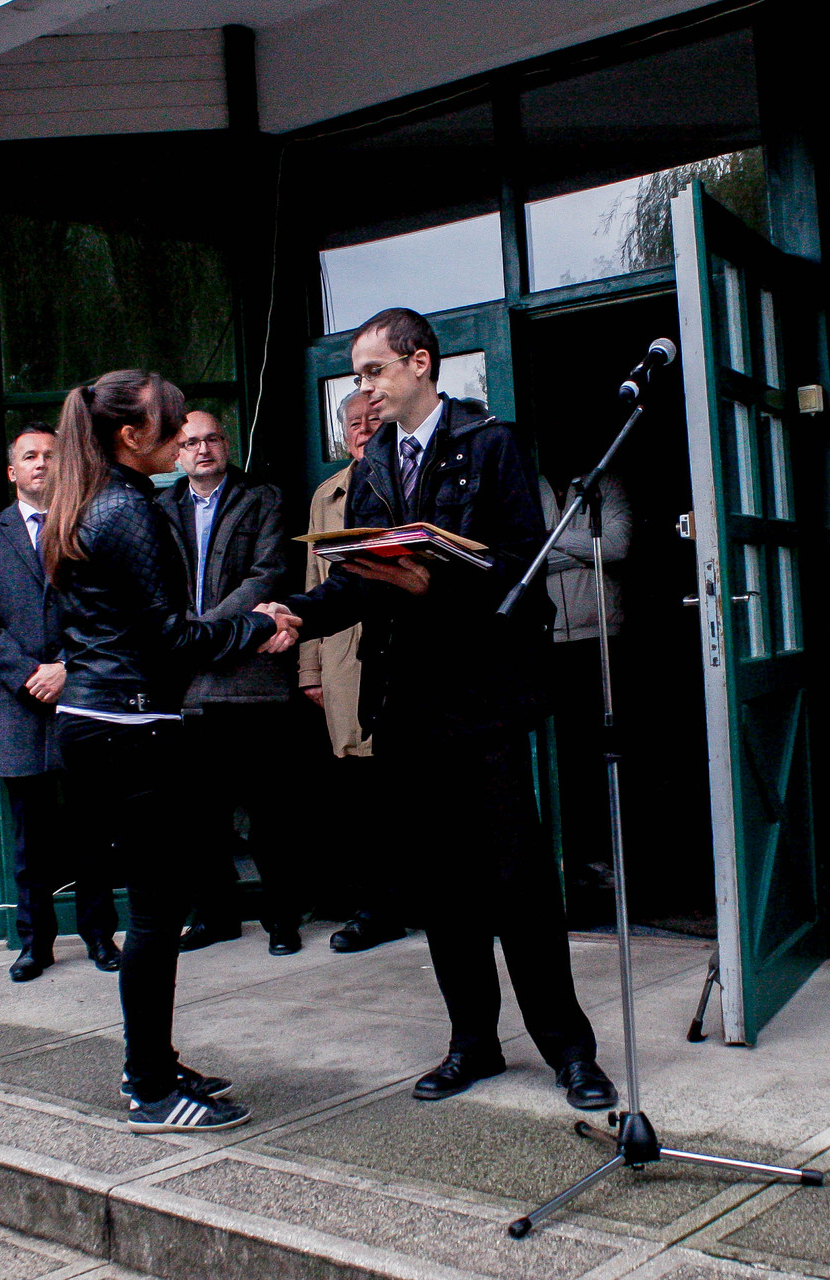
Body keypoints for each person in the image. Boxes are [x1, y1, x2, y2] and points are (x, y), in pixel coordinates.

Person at [283, 308, 617, 1112]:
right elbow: (355, 582)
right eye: (358, 376)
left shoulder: (489, 445)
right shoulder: (372, 464)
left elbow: (524, 570)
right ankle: (473, 1044)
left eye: (374, 371)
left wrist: (437, 581)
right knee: (442, 886)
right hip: (407, 700)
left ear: (420, 363)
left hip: (485, 698)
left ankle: (570, 1051)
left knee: (517, 882)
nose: (364, 388)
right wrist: (297, 614)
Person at [41, 368, 299, 1134]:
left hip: (99, 721)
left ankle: (152, 1063)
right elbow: (174, 639)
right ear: (131, 436)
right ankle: (151, 1088)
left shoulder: (89, 501)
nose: (187, 433)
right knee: (156, 915)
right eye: (173, 421)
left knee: (155, 909)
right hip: (130, 729)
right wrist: (259, 625)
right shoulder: (129, 510)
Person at [0, 422, 120, 982]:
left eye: (51, 454)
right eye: (30, 456)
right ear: (12, 471)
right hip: (19, 705)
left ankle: (100, 936)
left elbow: (112, 610)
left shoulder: (89, 527)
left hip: (85, 698)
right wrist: (30, 674)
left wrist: (67, 668)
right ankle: (36, 944)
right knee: (32, 843)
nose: (41, 463)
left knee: (93, 833)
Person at [156, 410, 305, 956]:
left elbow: (268, 575)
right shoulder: (159, 507)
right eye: (191, 442)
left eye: (212, 439)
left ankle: (282, 918)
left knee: (270, 811)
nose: (203, 449)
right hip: (186, 683)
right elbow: (152, 583)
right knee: (199, 813)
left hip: (252, 678)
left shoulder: (263, 498)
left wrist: (203, 630)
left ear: (226, 443)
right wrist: (182, 633)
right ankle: (215, 916)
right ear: (176, 455)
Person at [301, 391, 405, 953]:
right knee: (360, 792)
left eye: (373, 419)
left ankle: (430, 899)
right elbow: (316, 580)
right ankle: (375, 908)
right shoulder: (328, 495)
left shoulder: (409, 481)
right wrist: (309, 669)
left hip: (405, 649)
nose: (364, 430)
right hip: (344, 655)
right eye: (354, 423)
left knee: (414, 781)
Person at [537, 461, 632, 920]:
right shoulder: (526, 483)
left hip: (601, 635)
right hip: (545, 639)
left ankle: (608, 860)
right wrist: (582, 548)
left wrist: (549, 541)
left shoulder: (603, 481)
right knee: (563, 755)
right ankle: (570, 862)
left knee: (606, 750)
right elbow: (518, 555)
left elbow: (617, 546)